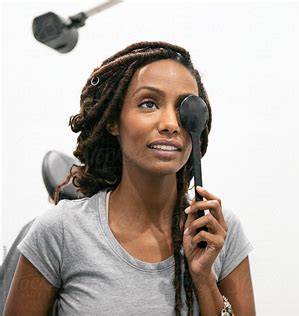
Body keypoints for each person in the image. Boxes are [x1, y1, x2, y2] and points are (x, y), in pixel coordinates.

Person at [4, 41, 255, 315]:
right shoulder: (60, 231)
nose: (171, 124)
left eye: (184, 108)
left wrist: (205, 278)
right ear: (113, 121)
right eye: (149, 103)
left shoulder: (217, 231)